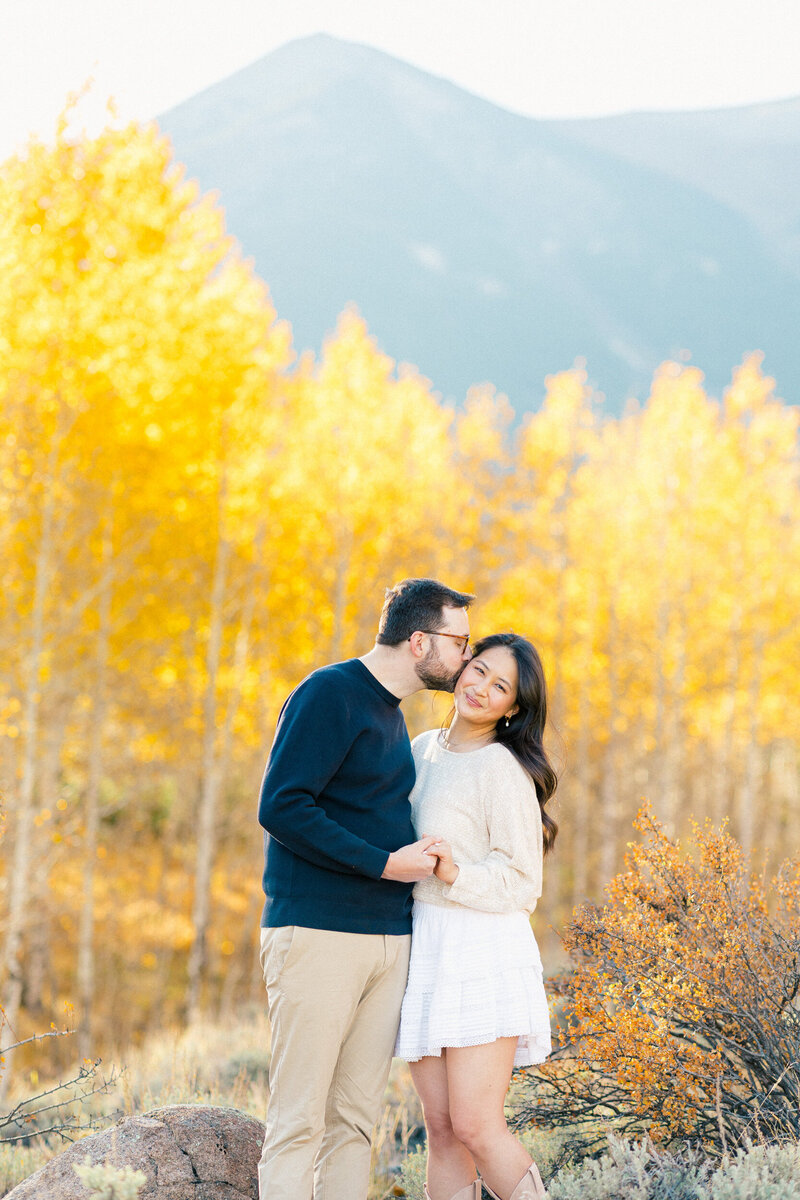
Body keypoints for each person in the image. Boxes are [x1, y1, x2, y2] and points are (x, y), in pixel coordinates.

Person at [256, 578, 475, 1200]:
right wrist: (384, 864)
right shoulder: (330, 693)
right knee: (298, 1120)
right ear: (418, 641)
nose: (466, 657)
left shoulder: (391, 715)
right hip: (318, 934)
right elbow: (282, 806)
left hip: (388, 940)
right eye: (459, 642)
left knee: (353, 1123)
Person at [395, 633, 559, 1200]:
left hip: (482, 946)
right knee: (441, 1132)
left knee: (476, 1125)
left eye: (501, 687)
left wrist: (453, 874)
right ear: (462, 666)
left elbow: (522, 881)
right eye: (479, 671)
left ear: (513, 707)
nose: (481, 689)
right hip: (427, 944)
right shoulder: (419, 749)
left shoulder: (500, 767)